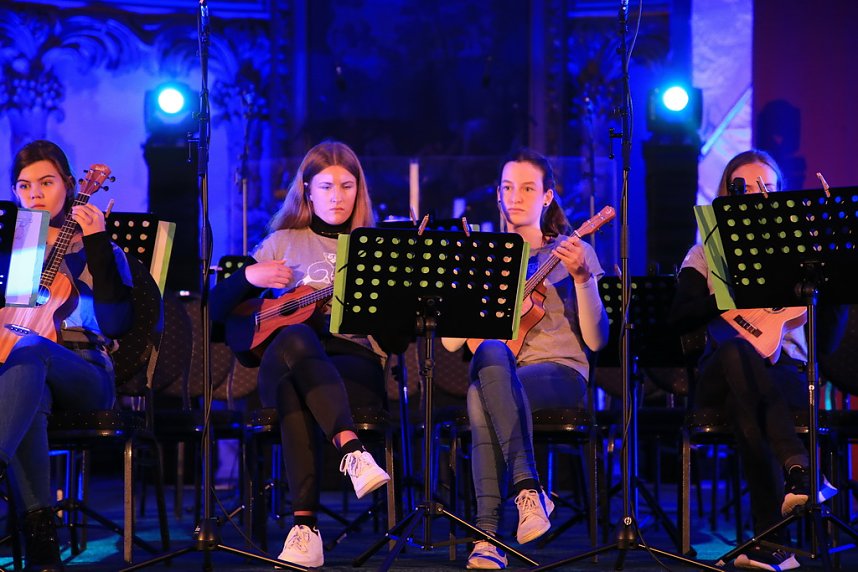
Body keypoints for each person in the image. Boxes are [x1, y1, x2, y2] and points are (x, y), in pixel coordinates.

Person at [210, 140, 391, 568]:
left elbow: (395, 339)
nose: (337, 196)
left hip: (352, 361)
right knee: (294, 335)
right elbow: (217, 311)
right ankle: (351, 450)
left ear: (358, 190)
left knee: (295, 388)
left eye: (347, 186)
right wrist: (250, 275)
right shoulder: (282, 241)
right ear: (307, 190)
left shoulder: (374, 249)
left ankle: (304, 529)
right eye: (326, 186)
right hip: (282, 356)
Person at [668, 149, 846, 571]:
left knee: (744, 403)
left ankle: (770, 544)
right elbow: (678, 318)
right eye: (744, 188)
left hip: (784, 374)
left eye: (768, 187)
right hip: (715, 370)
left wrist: (830, 279)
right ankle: (801, 467)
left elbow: (829, 343)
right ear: (725, 199)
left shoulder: (803, 255)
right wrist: (725, 299)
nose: (758, 195)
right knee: (734, 352)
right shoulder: (704, 254)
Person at [443, 148, 610, 569]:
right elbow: (449, 345)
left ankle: (487, 537)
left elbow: (597, 339)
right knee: (492, 353)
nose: (515, 196)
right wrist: (467, 280)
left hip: (560, 373)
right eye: (507, 187)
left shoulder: (575, 252)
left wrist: (582, 278)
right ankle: (528, 492)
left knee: (480, 399)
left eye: (528, 188)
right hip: (502, 373)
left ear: (548, 197)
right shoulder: (483, 255)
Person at [0, 140, 134, 571]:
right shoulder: (18, 250)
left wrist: (95, 241)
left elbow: (116, 324)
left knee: (32, 349)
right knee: (29, 382)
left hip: (87, 372)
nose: (34, 193)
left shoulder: (102, 248)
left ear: (71, 186)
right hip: (26, 370)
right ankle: (42, 542)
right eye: (23, 186)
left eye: (45, 182)